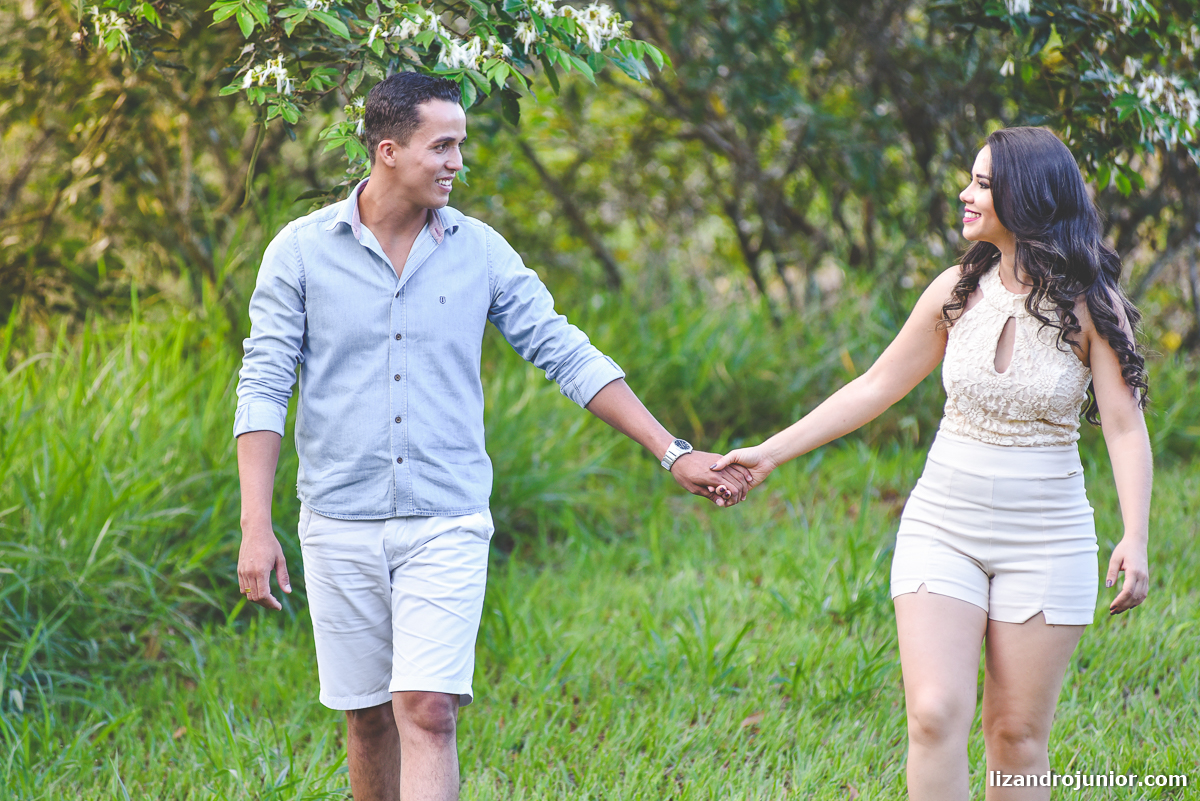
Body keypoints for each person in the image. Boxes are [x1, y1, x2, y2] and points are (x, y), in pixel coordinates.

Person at [233, 71, 751, 801]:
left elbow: (563, 350)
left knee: (429, 709)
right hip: (338, 521)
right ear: (387, 151)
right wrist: (257, 524)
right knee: (368, 718)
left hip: (446, 517)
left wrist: (671, 450)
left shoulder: (479, 251)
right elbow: (263, 383)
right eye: (441, 145)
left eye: (461, 145)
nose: (456, 162)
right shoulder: (300, 252)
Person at [713, 127, 1151, 800]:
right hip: (943, 524)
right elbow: (875, 386)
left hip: (1047, 537)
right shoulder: (957, 290)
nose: (964, 193)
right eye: (970, 180)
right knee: (934, 712)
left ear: (1026, 196)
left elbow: (1123, 426)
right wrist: (770, 453)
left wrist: (1136, 533)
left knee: (1017, 737)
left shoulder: (1091, 305)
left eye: (981, 183)